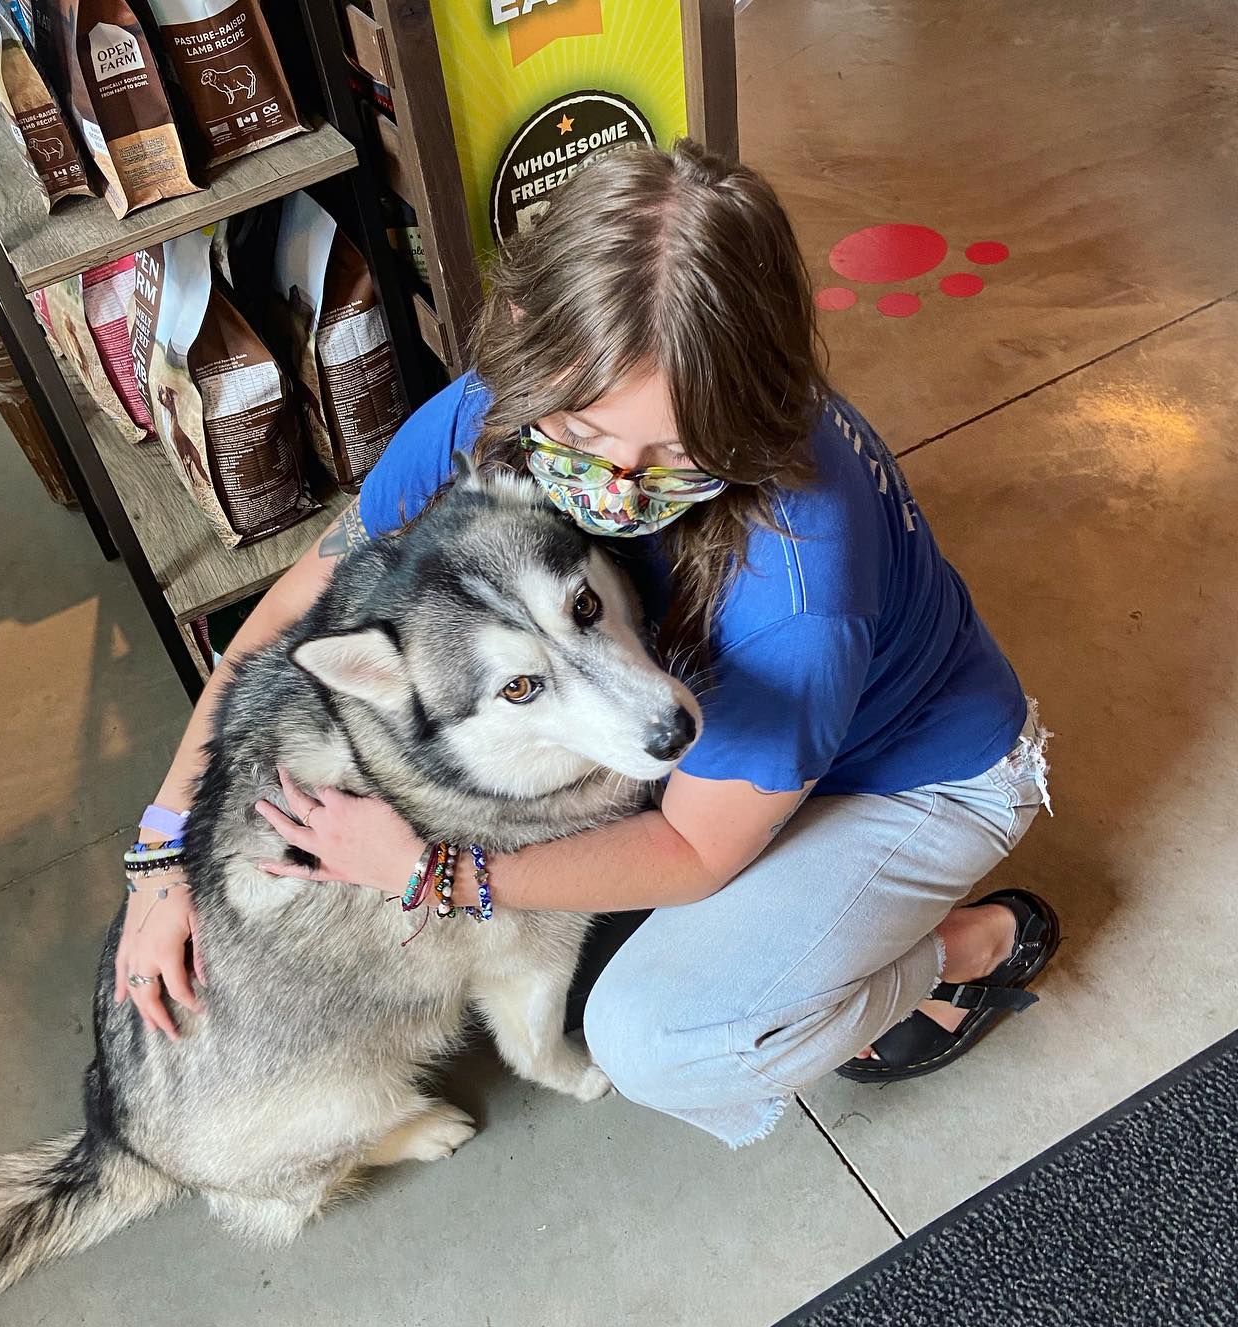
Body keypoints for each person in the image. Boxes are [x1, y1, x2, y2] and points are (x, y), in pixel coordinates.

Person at [116, 141, 1057, 1148]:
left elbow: (694, 852)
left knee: (656, 1034)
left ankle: (956, 950)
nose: (616, 481)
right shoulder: (496, 415)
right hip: (725, 765)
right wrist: (166, 846)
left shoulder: (797, 590)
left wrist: (433, 872)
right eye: (584, 429)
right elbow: (314, 593)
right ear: (527, 339)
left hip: (908, 780)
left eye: (680, 449)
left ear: (759, 395)